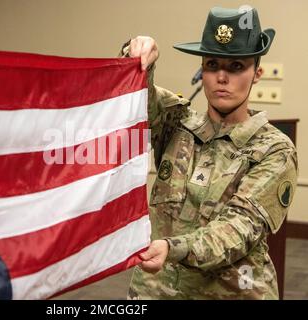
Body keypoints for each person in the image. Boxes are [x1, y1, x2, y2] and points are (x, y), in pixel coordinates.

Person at [119, 6, 298, 299]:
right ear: (202, 70)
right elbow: (135, 98)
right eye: (212, 65)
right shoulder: (177, 121)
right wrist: (136, 55)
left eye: (236, 66)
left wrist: (173, 247)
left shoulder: (273, 148)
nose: (222, 77)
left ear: (257, 74)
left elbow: (238, 229)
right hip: (156, 290)